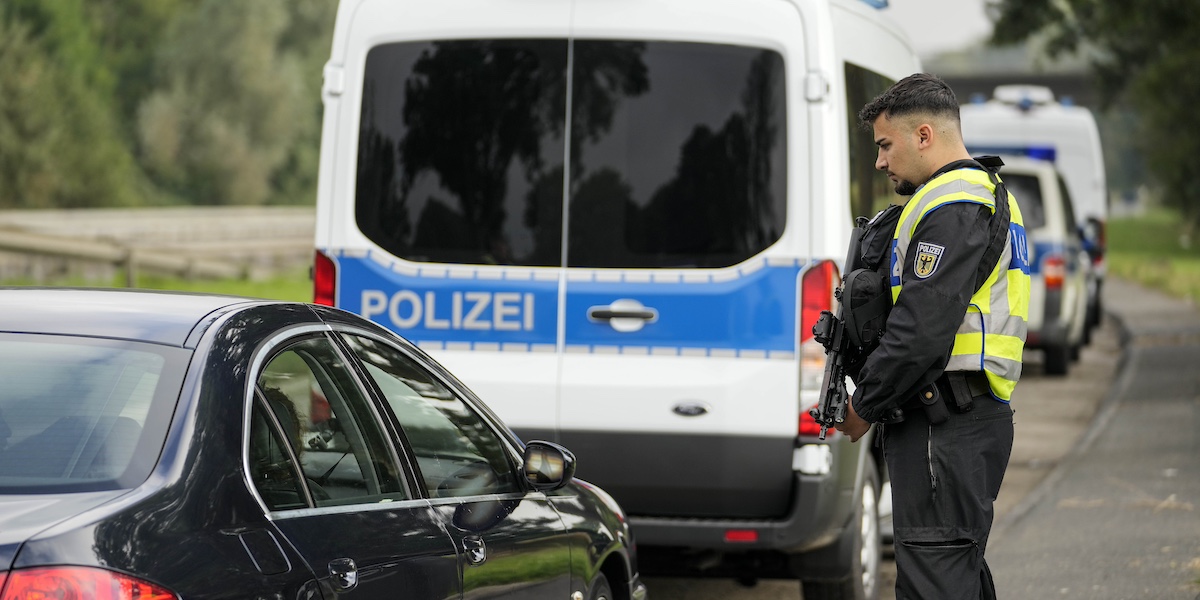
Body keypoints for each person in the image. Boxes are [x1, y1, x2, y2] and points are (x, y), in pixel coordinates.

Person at [835, 73, 1031, 599]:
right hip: (956, 419)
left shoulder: (954, 201)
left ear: (924, 135)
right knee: (952, 576)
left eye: (884, 144)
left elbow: (922, 330)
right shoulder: (974, 195)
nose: (879, 161)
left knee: (935, 581)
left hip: (945, 423)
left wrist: (865, 404)